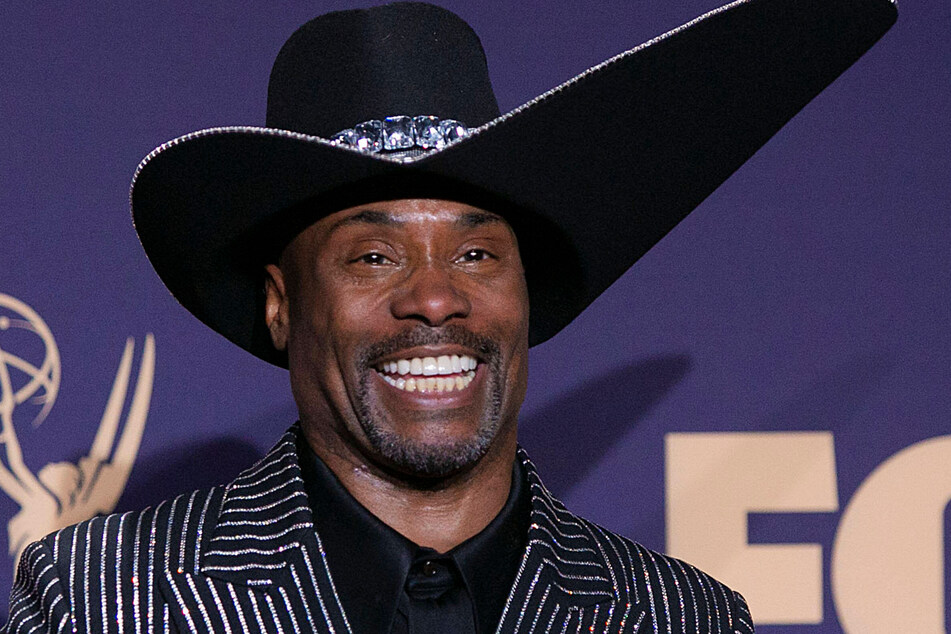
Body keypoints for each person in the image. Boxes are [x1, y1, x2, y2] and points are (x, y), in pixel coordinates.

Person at [3, 0, 895, 632]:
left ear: (524, 293)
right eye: (374, 256)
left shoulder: (679, 619)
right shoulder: (108, 599)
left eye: (475, 254)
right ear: (282, 305)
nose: (435, 296)